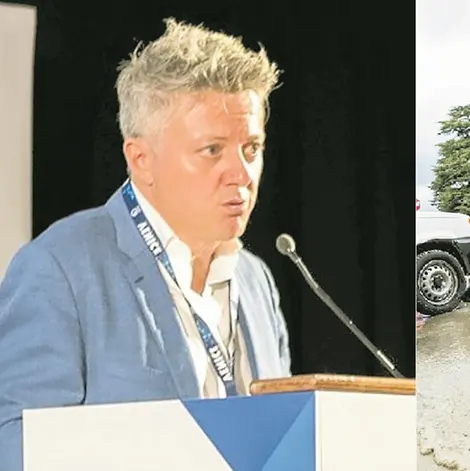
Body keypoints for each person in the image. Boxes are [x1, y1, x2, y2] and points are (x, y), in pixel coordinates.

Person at [0, 19, 291, 469]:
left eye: (251, 149)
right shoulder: (59, 269)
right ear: (141, 160)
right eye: (213, 150)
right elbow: (17, 447)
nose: (241, 174)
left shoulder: (257, 280)